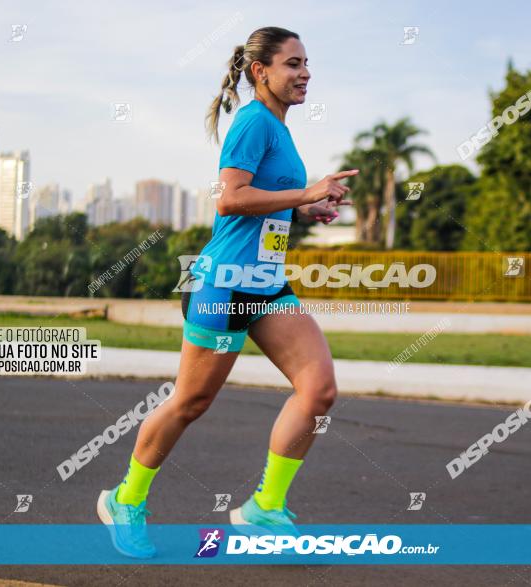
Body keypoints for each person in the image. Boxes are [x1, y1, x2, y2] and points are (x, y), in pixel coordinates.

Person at [96, 25, 358, 559]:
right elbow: (229, 199)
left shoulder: (279, 129)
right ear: (261, 72)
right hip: (222, 285)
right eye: (293, 64)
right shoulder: (253, 122)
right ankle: (125, 499)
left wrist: (306, 208)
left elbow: (266, 202)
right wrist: (305, 189)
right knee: (190, 401)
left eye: (307, 64)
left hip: (264, 284)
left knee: (319, 389)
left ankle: (265, 508)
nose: (305, 73)